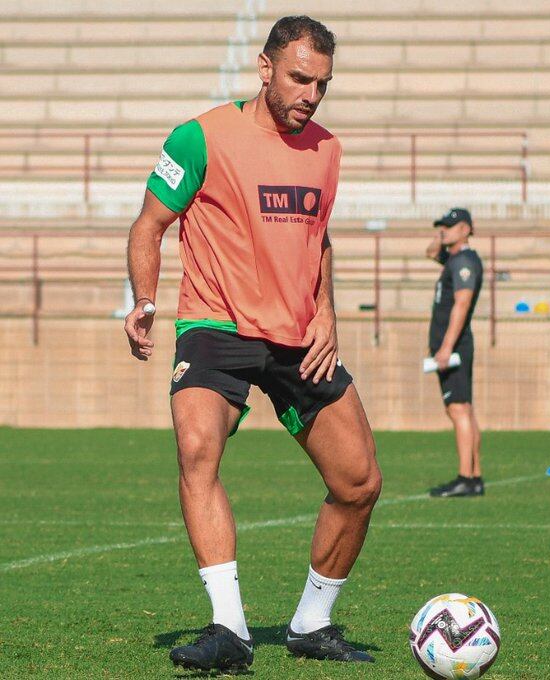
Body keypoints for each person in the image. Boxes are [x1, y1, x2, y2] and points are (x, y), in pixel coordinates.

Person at [124, 15, 381, 673]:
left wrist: (328, 314)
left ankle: (310, 624)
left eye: (322, 83)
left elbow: (319, 239)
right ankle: (229, 628)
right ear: (264, 68)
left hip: (299, 337)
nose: (311, 95)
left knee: (358, 483)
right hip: (216, 326)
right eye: (300, 78)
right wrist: (146, 303)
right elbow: (150, 225)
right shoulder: (200, 137)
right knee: (196, 444)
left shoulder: (327, 149)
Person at [425, 208, 484, 498]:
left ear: (466, 228)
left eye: (450, 226)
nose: (444, 231)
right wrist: (443, 235)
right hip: (453, 345)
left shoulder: (464, 262)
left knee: (458, 409)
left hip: (455, 346)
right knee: (463, 409)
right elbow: (430, 251)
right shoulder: (454, 258)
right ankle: (474, 476)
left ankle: (466, 477)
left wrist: (446, 346)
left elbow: (462, 303)